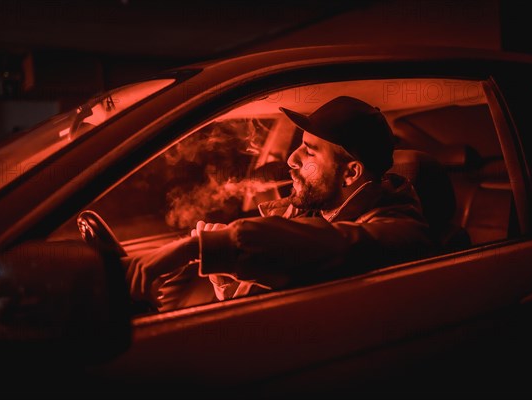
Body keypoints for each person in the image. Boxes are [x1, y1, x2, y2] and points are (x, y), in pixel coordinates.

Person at [125, 96, 434, 307]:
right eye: (300, 145)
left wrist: (203, 246)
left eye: (310, 151)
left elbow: (339, 245)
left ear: (350, 173)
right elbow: (259, 308)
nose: (291, 159)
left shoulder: (400, 230)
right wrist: (225, 276)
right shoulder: (309, 212)